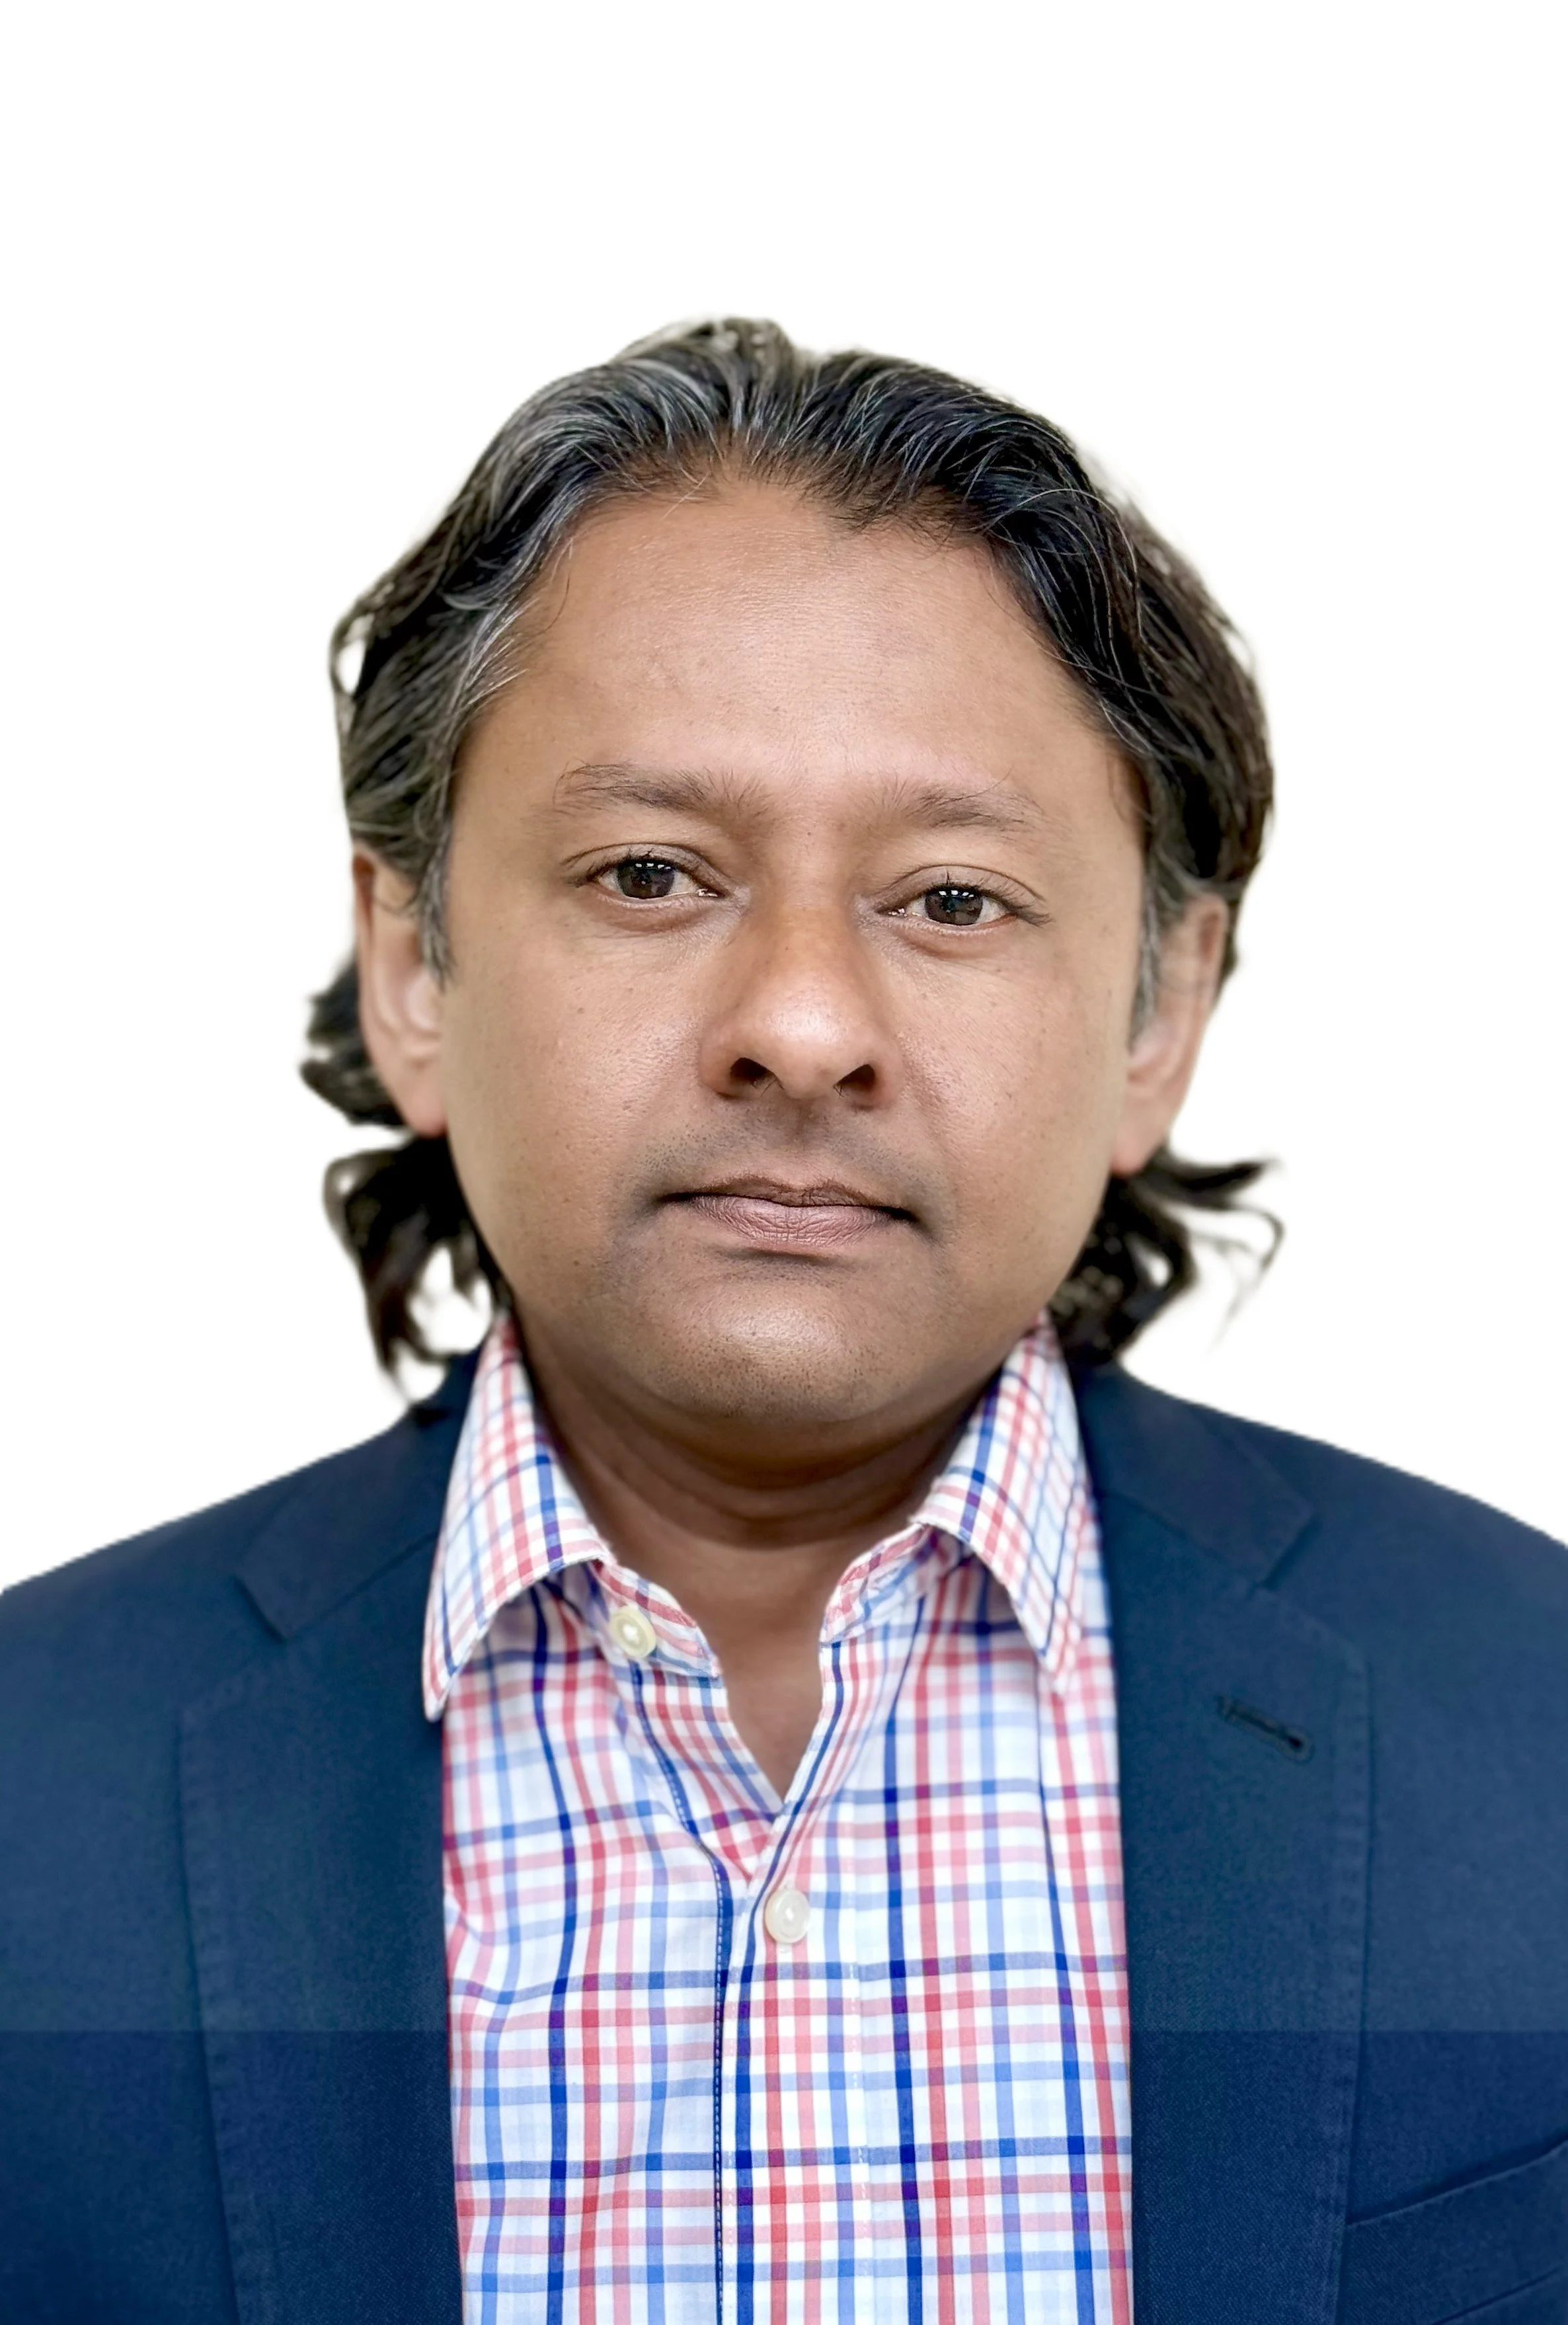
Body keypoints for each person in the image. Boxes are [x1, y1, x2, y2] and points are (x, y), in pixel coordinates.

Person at [2, 320, 1564, 2325]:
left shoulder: (1526, 1731)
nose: (803, 1024)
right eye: (652, 872)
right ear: (412, 960)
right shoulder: (35, 1787)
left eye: (950, 899)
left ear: (1160, 1008)